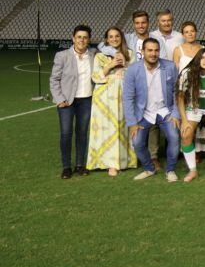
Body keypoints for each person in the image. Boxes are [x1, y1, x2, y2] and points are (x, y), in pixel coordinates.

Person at [123, 38, 181, 182]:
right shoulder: (133, 70)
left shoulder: (170, 66)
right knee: (137, 143)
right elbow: (128, 98)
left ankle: (170, 170)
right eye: (149, 50)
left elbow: (176, 92)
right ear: (142, 51)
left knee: (174, 137)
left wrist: (175, 113)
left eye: (156, 50)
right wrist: (132, 123)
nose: (153, 53)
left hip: (165, 111)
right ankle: (149, 168)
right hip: (143, 114)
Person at [86, 27, 136, 176]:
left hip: (122, 95)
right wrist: (111, 65)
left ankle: (125, 160)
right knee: (105, 128)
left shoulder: (130, 54)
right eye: (110, 37)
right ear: (106, 39)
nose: (114, 39)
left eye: (117, 36)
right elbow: (95, 77)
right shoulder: (100, 56)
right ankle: (108, 163)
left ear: (121, 38)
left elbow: (134, 75)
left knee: (121, 127)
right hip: (103, 97)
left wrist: (124, 70)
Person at [50, 25, 96, 179]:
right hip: (67, 102)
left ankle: (80, 165)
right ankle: (66, 167)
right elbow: (54, 79)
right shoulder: (62, 56)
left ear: (89, 39)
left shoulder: (94, 54)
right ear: (73, 38)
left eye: (85, 37)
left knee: (82, 133)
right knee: (66, 133)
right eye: (79, 37)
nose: (82, 40)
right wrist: (59, 99)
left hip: (87, 100)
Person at [176, 49, 205, 182]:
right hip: (193, 107)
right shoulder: (187, 73)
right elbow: (180, 98)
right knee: (186, 133)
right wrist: (184, 120)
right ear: (197, 59)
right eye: (203, 57)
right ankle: (193, 170)